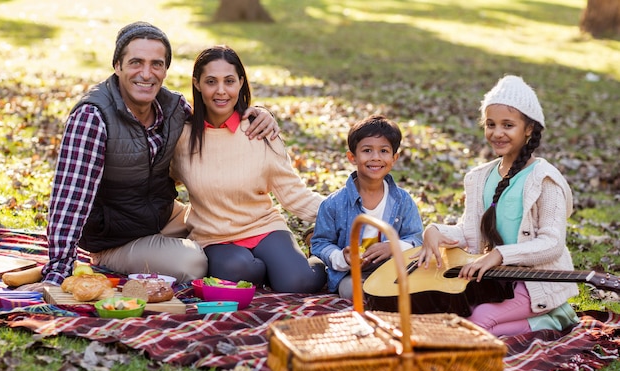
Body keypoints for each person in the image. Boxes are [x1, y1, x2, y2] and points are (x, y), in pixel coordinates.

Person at [38, 22, 279, 288]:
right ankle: (112, 260)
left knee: (221, 225)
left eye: (156, 64)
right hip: (115, 238)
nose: (146, 73)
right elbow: (70, 198)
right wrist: (58, 270)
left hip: (162, 217)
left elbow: (216, 125)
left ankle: (268, 260)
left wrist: (255, 114)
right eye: (136, 62)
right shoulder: (93, 117)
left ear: (165, 69)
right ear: (117, 66)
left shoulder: (173, 108)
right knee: (193, 263)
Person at [416, 75, 579, 337]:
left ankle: (552, 318)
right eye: (490, 124)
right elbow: (470, 232)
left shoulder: (544, 179)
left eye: (508, 125)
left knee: (479, 320)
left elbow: (552, 244)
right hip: (497, 278)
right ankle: (547, 319)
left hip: (536, 280)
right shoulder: (479, 177)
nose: (497, 132)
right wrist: (434, 230)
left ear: (528, 129)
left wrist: (499, 255)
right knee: (452, 312)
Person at [170, 45, 327, 293]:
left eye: (229, 81)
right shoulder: (182, 137)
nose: (221, 91)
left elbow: (294, 194)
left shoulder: (260, 131)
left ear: (241, 83)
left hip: (264, 228)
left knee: (299, 283)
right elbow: (161, 184)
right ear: (197, 84)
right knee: (240, 271)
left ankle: (313, 254)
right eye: (211, 81)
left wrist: (349, 213)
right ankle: (272, 269)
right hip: (215, 238)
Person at [310, 114, 424, 299]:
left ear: (394, 158)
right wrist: (342, 257)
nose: (376, 157)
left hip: (393, 271)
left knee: (419, 288)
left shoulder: (403, 200)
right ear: (352, 157)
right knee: (351, 291)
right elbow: (320, 244)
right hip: (353, 275)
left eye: (384, 151)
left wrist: (393, 247)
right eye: (367, 150)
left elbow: (417, 239)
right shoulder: (333, 204)